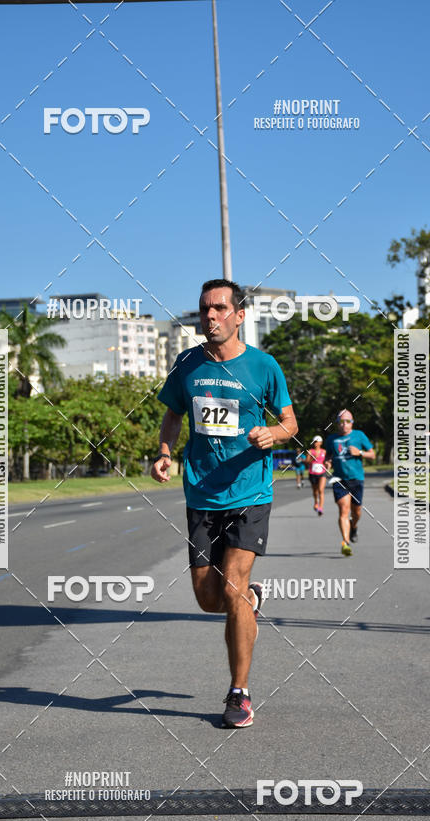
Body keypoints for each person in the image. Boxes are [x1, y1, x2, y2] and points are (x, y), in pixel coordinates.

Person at [152, 278, 298, 727]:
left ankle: (239, 693)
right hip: (201, 494)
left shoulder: (263, 366)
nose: (210, 316)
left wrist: (273, 433)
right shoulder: (187, 364)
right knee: (207, 598)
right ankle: (249, 600)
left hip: (250, 491)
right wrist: (164, 451)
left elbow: (290, 422)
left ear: (239, 315)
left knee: (233, 585)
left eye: (219, 308)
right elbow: (173, 413)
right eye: (203, 309)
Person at [324, 410, 375, 556]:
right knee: (344, 510)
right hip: (339, 479)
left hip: (356, 478)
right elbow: (328, 455)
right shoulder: (332, 439)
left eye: (347, 421)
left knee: (357, 511)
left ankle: (354, 526)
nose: (344, 424)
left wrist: (359, 453)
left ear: (352, 423)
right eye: (341, 422)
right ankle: (345, 543)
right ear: (337, 423)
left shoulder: (359, 435)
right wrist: (327, 462)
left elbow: (372, 454)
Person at [306, 435, 327, 514]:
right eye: (314, 442)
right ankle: (316, 502)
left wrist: (328, 464)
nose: (316, 443)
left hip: (322, 473)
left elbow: (326, 461)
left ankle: (320, 508)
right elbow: (307, 462)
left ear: (320, 443)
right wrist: (312, 458)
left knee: (321, 490)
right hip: (312, 473)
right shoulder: (310, 451)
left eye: (317, 442)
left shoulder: (324, 451)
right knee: (315, 491)